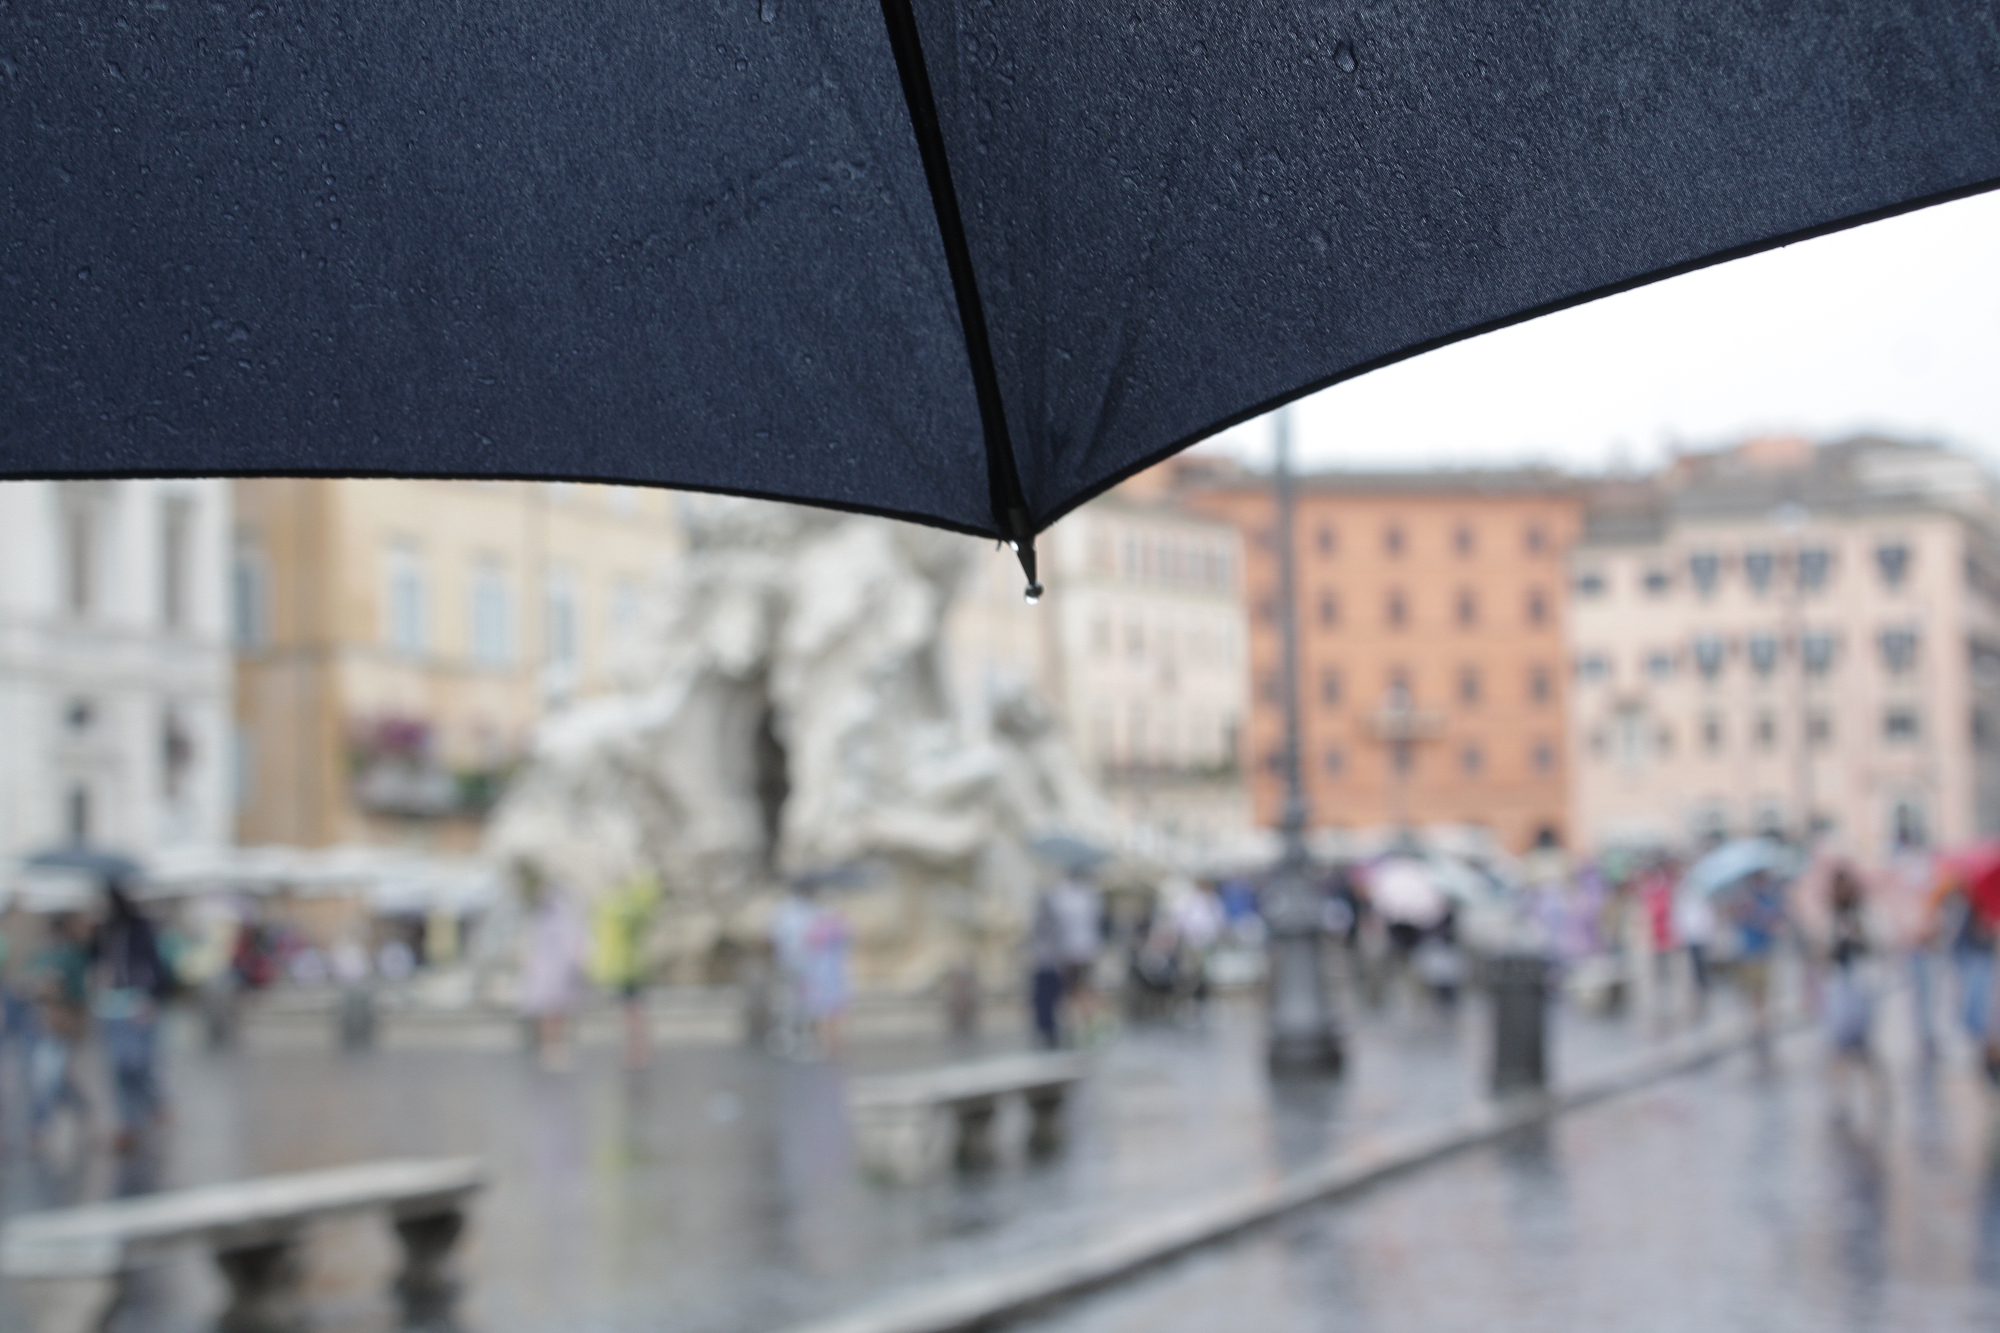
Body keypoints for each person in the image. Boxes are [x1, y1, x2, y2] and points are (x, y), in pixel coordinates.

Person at [90, 880, 172, 1151]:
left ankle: (153, 1103)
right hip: (110, 1004)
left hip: (137, 1002)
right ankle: (127, 1124)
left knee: (139, 1064)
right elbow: (94, 960)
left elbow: (156, 964)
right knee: (119, 1067)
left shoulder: (139, 927)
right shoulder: (102, 930)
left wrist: (152, 997)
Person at [515, 858, 588, 1071]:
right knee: (548, 1010)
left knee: (556, 1009)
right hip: (547, 966)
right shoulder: (541, 910)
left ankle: (555, 1047)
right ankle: (549, 1048)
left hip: (556, 966)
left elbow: (570, 936)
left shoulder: (558, 909)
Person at [29, 912, 93, 1153]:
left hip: (65, 1025)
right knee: (51, 1077)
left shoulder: (73, 955)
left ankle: (44, 1124)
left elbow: (79, 992)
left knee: (50, 1076)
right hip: (46, 1025)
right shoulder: (43, 954)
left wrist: (59, 990)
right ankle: (76, 1113)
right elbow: (29, 983)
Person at [592, 873, 660, 1069]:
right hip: (628, 965)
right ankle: (636, 1049)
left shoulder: (616, 907)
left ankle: (636, 1050)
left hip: (625, 966)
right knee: (632, 1010)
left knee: (631, 1011)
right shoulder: (630, 906)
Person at [1026, 884, 1066, 1048]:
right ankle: (1046, 1028)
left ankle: (1048, 1028)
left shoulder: (1046, 922)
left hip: (1046, 966)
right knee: (1046, 1000)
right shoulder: (1047, 923)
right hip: (1046, 967)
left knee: (1048, 999)